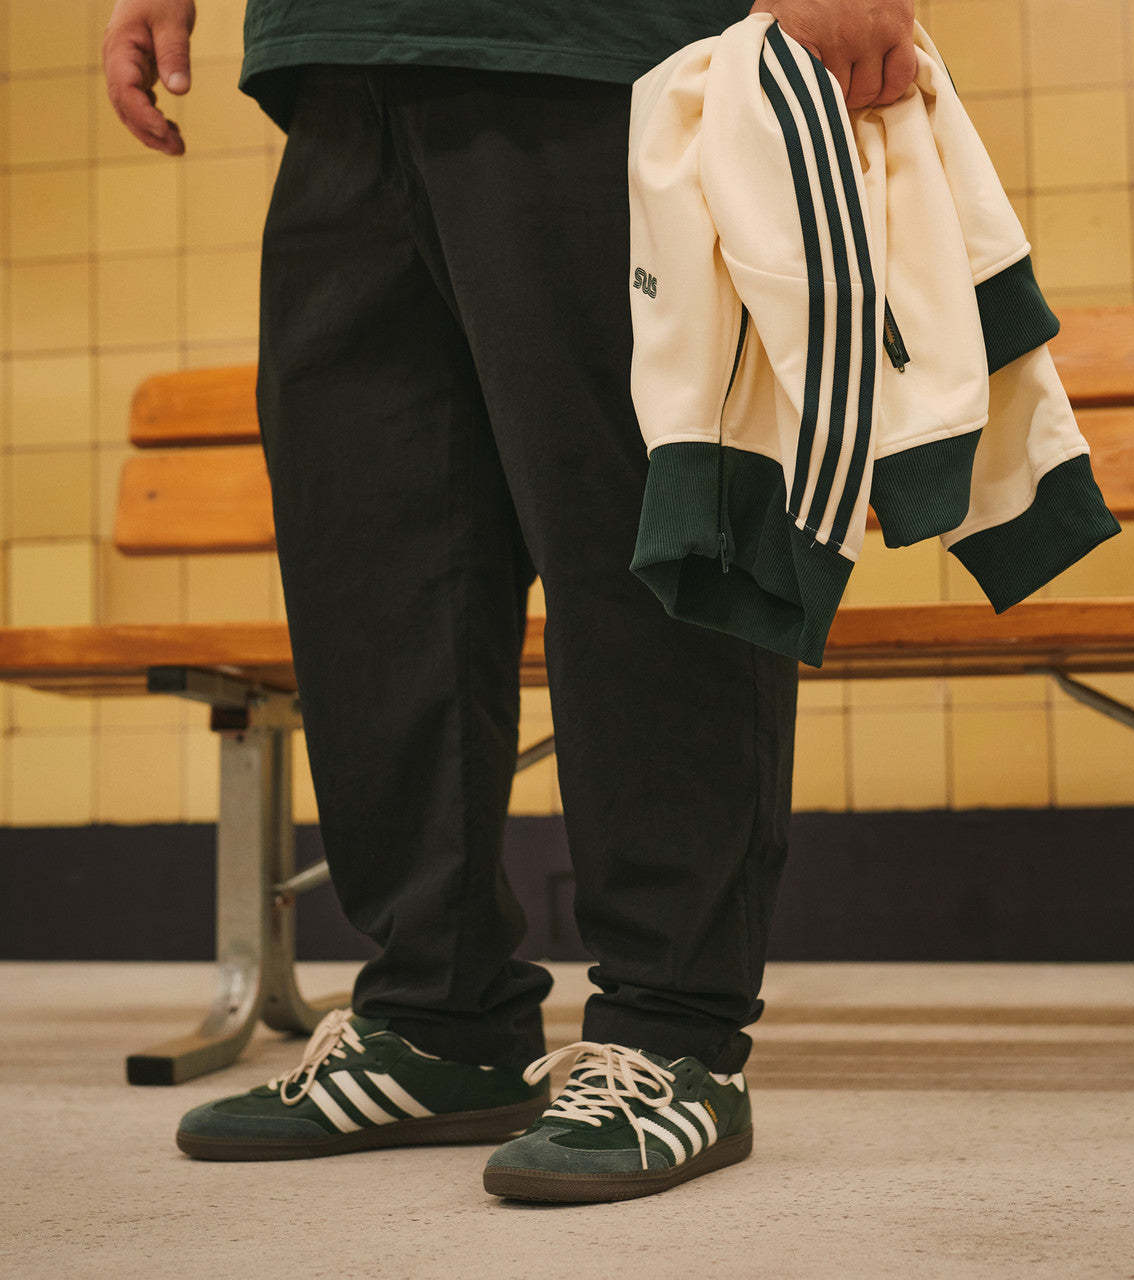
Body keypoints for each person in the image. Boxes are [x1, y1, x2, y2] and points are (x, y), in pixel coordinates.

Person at [102, 0, 917, 1204]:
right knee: (372, 562)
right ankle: (439, 1019)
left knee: (640, 537)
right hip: (336, 68)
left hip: (599, 54)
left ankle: (672, 1033)